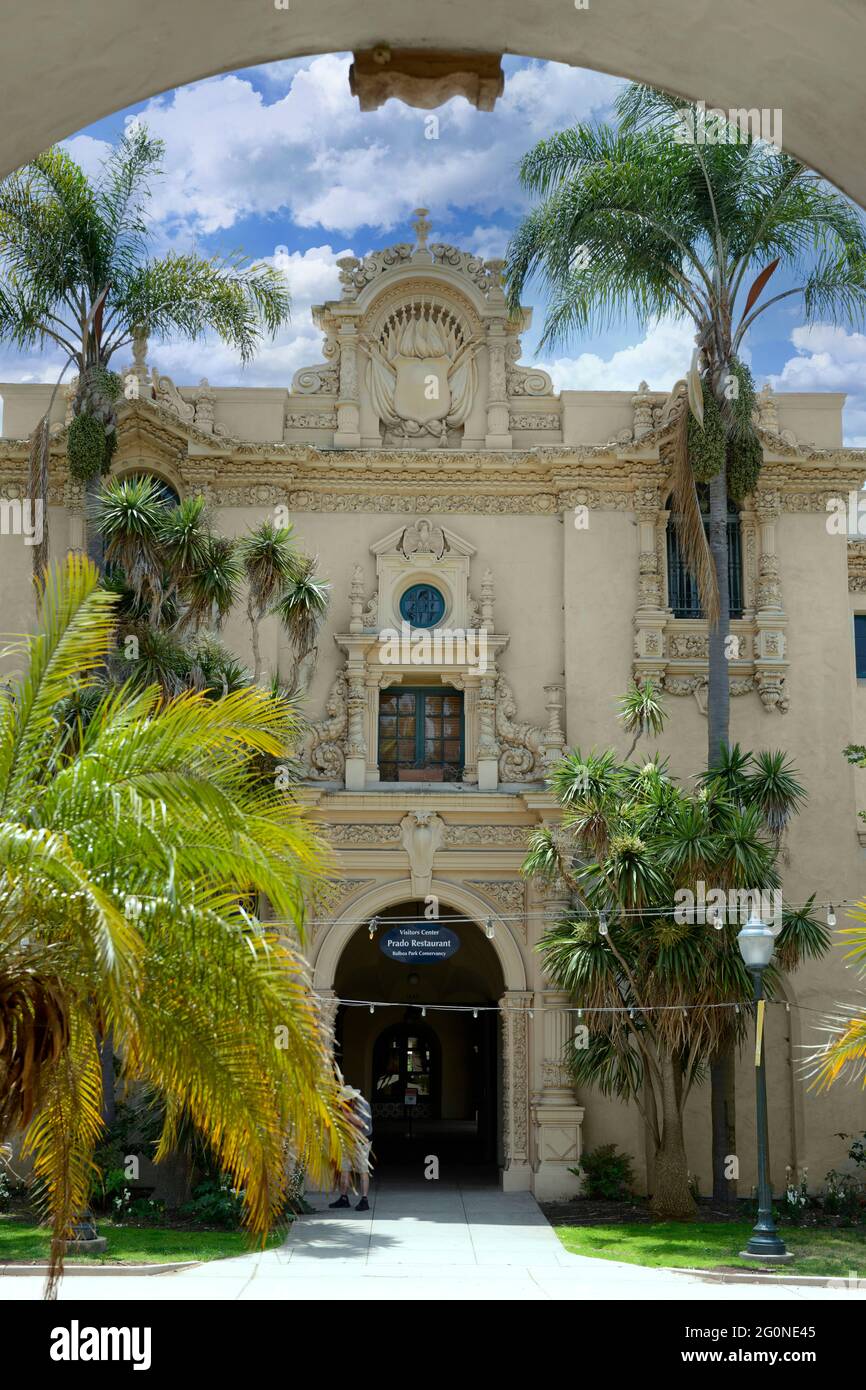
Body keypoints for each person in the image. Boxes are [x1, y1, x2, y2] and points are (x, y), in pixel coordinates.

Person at [329, 1084, 373, 1212]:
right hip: (347, 1140)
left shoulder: (363, 1105)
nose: (343, 1102)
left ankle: (364, 1200)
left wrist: (346, 1114)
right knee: (345, 1169)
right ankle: (343, 1198)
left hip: (362, 1141)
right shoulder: (344, 1105)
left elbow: (361, 1124)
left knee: (363, 1170)